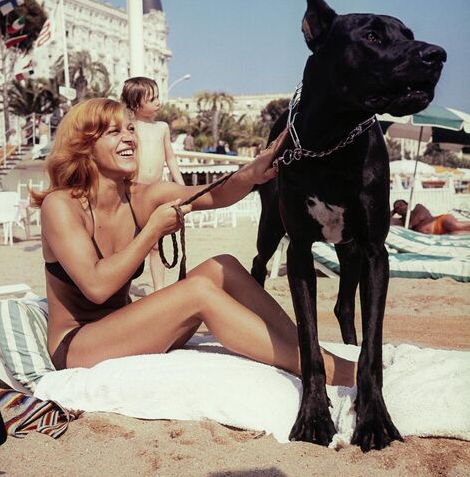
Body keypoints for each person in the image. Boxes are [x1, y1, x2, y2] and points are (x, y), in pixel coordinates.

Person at [30, 98, 355, 388]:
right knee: (197, 292)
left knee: (222, 266)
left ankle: (308, 349)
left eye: (130, 129)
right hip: (78, 344)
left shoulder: (140, 197)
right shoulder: (61, 205)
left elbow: (212, 194)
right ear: (85, 146)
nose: (129, 137)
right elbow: (97, 287)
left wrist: (252, 173)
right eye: (114, 132)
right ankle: (319, 368)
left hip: (125, 328)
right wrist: (152, 231)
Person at [121, 77, 186, 292]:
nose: (158, 102)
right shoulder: (130, 128)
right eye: (152, 98)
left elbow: (171, 158)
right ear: (136, 104)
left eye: (158, 97)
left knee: (157, 244)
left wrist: (181, 185)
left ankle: (159, 289)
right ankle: (122, 286)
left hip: (156, 191)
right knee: (130, 243)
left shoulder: (162, 128)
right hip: (133, 190)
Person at [391, 199, 470, 235]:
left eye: (401, 205)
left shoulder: (418, 208)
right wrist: (393, 212)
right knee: (456, 233)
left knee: (456, 226)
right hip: (438, 233)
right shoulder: (401, 222)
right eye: (397, 208)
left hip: (439, 221)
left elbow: (420, 216)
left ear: (407, 204)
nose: (400, 208)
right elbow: (386, 222)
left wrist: (409, 226)